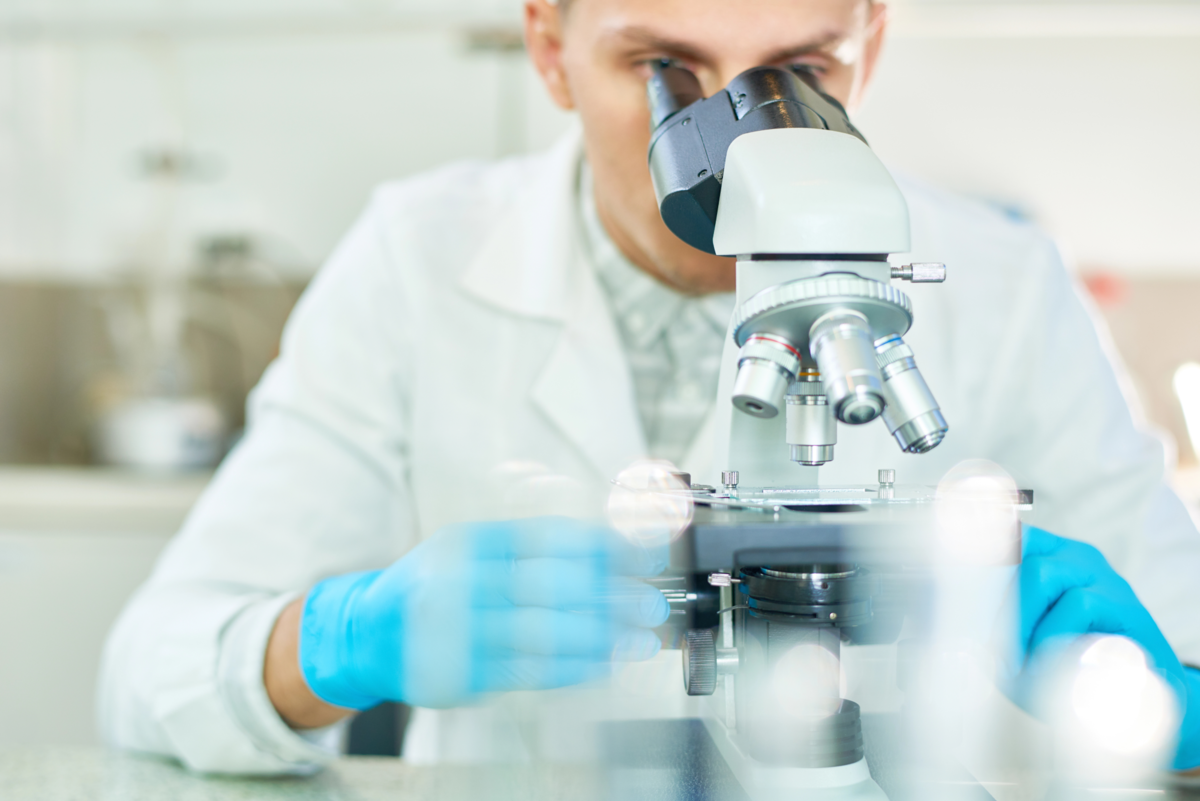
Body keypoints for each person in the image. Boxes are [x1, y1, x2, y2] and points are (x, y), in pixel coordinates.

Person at [99, 0, 1200, 775]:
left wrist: (1172, 703)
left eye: (797, 76)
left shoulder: (1008, 280)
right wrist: (333, 641)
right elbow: (147, 672)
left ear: (871, 39)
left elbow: (1181, 642)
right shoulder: (416, 255)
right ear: (548, 46)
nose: (731, 140)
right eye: (663, 67)